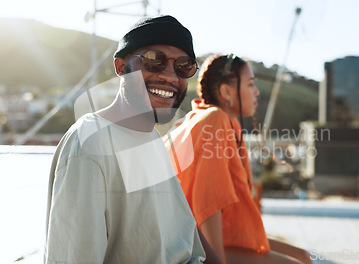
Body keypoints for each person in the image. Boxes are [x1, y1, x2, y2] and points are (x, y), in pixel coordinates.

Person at [44, 15, 221, 264]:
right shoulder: (90, 145)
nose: (171, 77)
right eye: (153, 61)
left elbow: (179, 237)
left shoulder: (150, 138)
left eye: (183, 67)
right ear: (120, 67)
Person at [164, 54, 312, 264]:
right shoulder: (215, 119)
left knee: (303, 256)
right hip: (193, 245)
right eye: (251, 85)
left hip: (208, 237)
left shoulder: (215, 120)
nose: (257, 92)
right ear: (226, 92)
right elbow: (209, 204)